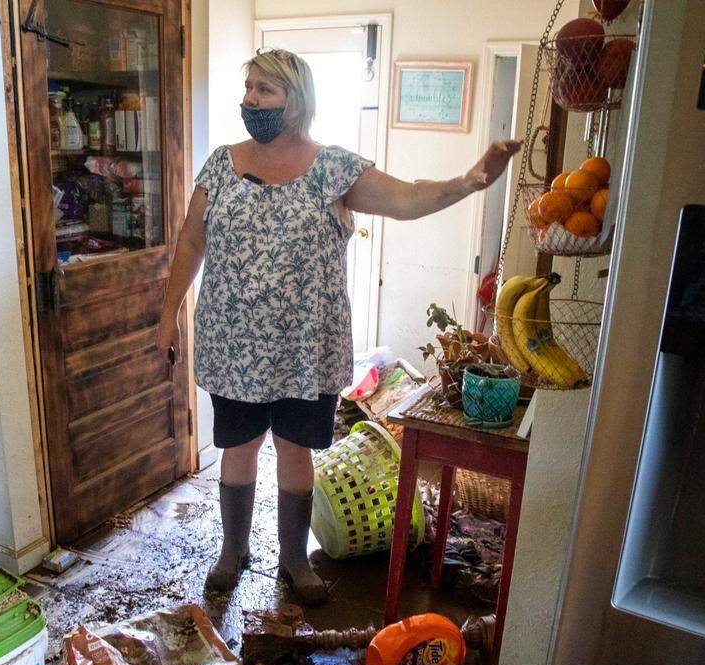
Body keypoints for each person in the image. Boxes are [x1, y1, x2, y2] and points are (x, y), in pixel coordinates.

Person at [155, 49, 520, 605]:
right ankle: (233, 551)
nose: (251, 99)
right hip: (234, 344)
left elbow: (408, 198)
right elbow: (190, 240)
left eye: (265, 90)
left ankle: (293, 559)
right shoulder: (220, 165)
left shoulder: (333, 168)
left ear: (297, 99)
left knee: (296, 449)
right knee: (238, 447)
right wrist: (168, 317)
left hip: (307, 347)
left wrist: (469, 181)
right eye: (249, 87)